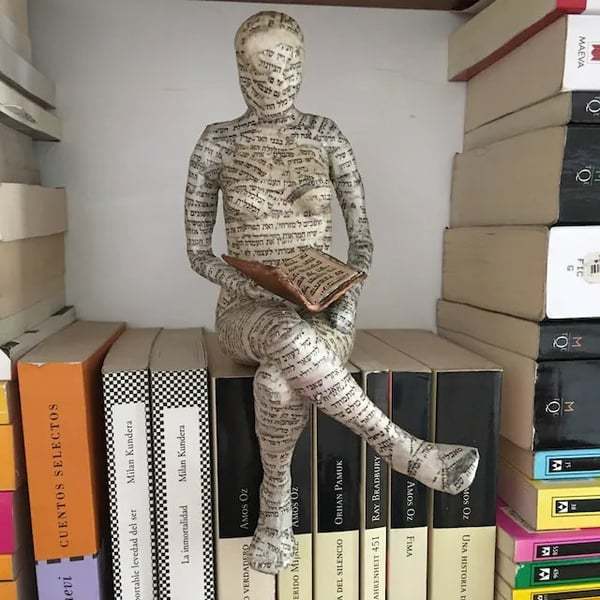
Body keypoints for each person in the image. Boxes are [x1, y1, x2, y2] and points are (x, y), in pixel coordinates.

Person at [185, 10, 479, 574]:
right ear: (240, 71)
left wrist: (347, 299)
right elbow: (199, 252)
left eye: (285, 67)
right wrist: (250, 283)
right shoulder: (216, 143)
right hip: (245, 313)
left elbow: (361, 239)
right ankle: (404, 450)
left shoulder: (326, 136)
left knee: (278, 382)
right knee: (281, 329)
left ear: (302, 67)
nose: (274, 80)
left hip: (323, 312)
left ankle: (275, 505)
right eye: (260, 69)